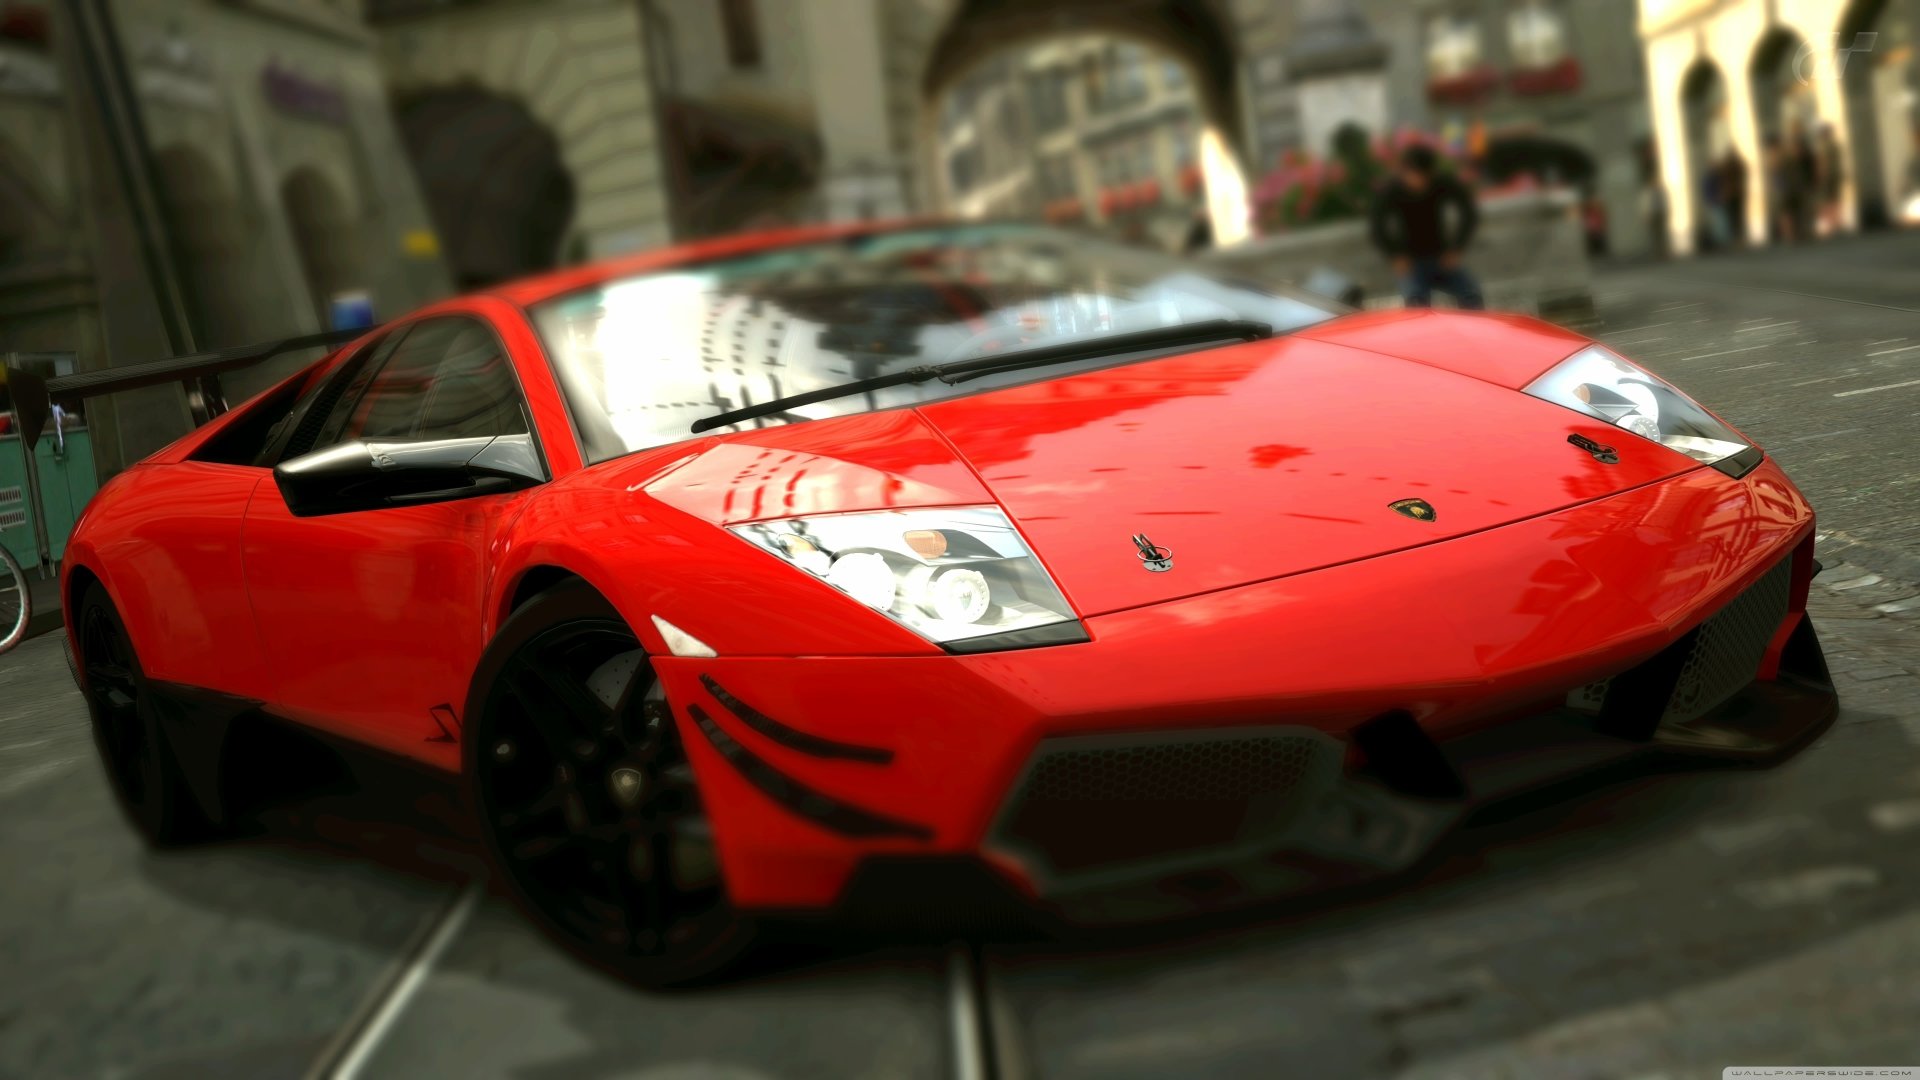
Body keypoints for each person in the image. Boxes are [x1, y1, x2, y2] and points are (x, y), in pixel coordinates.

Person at [1367, 144, 1483, 310]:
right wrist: (1395, 256)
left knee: (1471, 294)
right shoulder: (1393, 190)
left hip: (1442, 257)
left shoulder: (1441, 183)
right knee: (1416, 302)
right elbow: (1377, 225)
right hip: (1411, 262)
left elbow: (1468, 212)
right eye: (1412, 175)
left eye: (1421, 176)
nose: (1416, 181)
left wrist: (1456, 248)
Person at [1815, 123, 1846, 236]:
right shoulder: (1835, 144)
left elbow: (1822, 163)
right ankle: (1837, 223)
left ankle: (1831, 225)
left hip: (1828, 176)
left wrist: (1820, 176)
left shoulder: (1823, 146)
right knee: (1835, 199)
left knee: (1827, 200)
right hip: (1836, 174)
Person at [1720, 147, 1749, 247]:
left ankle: (1737, 239)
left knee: (1735, 217)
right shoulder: (1732, 166)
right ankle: (1737, 239)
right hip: (1734, 194)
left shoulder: (1729, 166)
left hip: (1733, 194)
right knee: (1735, 217)